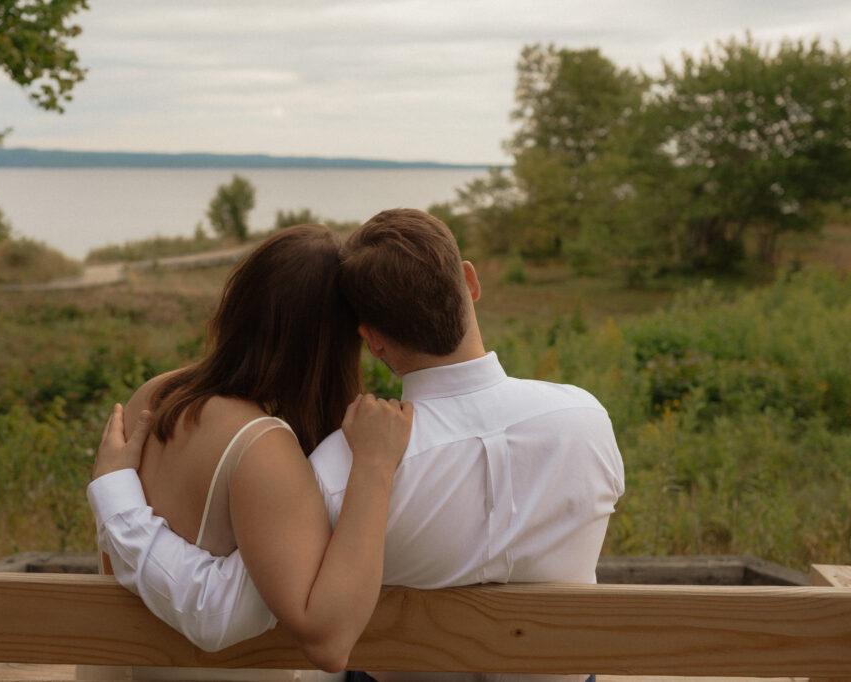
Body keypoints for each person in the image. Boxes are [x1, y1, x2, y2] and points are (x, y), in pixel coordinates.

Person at [89, 209, 625, 682]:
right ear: (470, 281)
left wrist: (115, 496)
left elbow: (230, 606)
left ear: (371, 338)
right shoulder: (585, 418)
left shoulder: (341, 467)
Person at [85, 223, 414, 680]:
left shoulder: (156, 395)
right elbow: (331, 641)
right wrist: (375, 467)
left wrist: (112, 494)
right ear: (341, 341)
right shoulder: (261, 449)